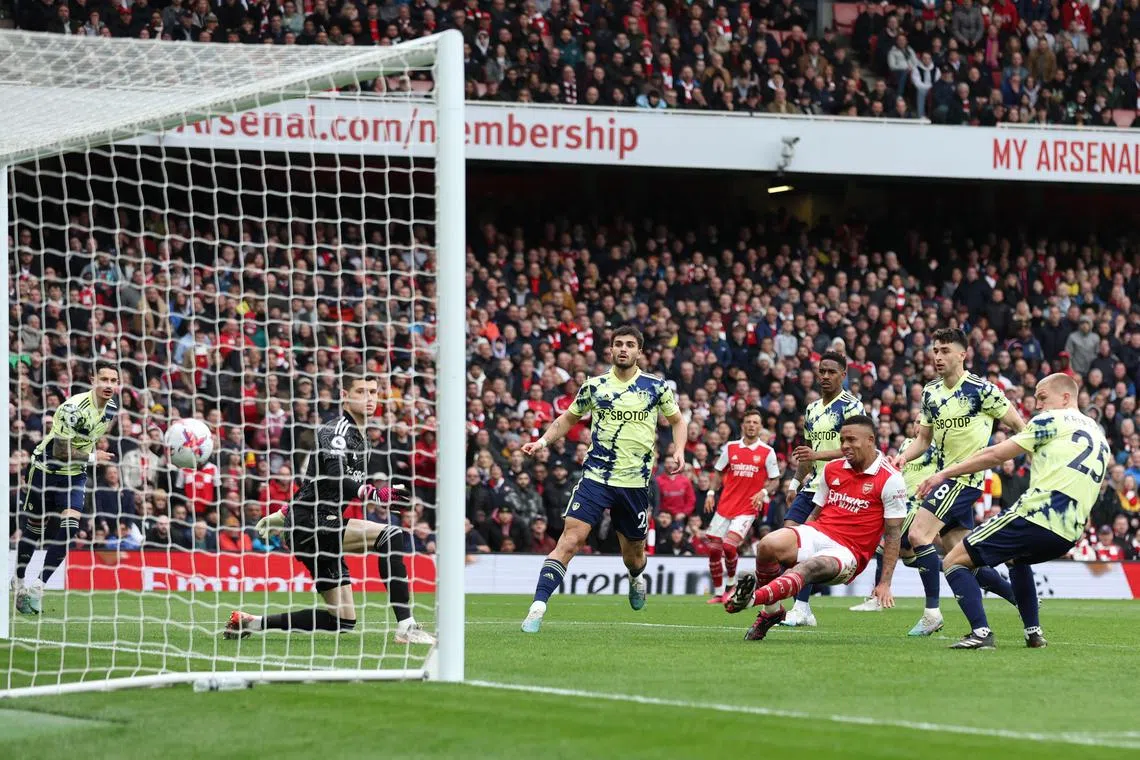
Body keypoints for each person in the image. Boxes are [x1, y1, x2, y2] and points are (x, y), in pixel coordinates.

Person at [224, 369, 435, 644]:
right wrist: (370, 492)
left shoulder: (363, 439)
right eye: (361, 392)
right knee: (391, 536)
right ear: (345, 396)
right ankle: (406, 627)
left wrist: (281, 515)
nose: (370, 398)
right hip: (314, 523)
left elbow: (314, 484)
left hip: (312, 522)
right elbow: (335, 475)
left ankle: (250, 624)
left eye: (373, 392)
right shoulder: (336, 430)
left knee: (342, 621)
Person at [917, 373, 1111, 648]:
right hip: (1070, 532)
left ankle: (981, 633)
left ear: (1066, 397)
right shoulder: (1099, 435)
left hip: (1037, 515)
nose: (1038, 406)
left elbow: (995, 455)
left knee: (953, 560)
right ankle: (1033, 633)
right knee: (1018, 560)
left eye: (1043, 398)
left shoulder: (1051, 420)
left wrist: (943, 474)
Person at [518, 325, 685, 633]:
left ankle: (636, 578)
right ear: (610, 350)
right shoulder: (595, 386)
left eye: (630, 344)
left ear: (639, 351)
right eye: (618, 344)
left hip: (634, 484)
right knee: (571, 540)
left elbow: (677, 420)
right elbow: (568, 418)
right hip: (596, 478)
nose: (623, 348)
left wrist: (680, 451)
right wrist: (541, 442)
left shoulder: (655, 387)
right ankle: (537, 607)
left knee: (634, 557)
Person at [889, 328, 1025, 636]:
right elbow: (923, 439)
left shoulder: (982, 389)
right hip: (944, 478)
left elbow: (1019, 425)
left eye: (945, 350)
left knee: (918, 535)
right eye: (935, 350)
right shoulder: (930, 392)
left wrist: (1014, 455)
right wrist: (903, 458)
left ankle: (932, 613)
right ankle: (1022, 599)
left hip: (965, 479)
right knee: (963, 557)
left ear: (963, 354)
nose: (938, 356)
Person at [724, 415, 907, 640]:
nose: (845, 446)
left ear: (870, 440)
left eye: (851, 440)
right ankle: (771, 613)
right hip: (819, 531)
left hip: (848, 552)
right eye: (842, 440)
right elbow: (816, 511)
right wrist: (804, 538)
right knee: (767, 545)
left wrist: (885, 583)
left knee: (808, 567)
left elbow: (893, 534)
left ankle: (751, 599)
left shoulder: (891, 479)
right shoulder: (832, 469)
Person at [14, 360, 119, 615]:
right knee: (34, 529)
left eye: (113, 381)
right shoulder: (73, 408)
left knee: (71, 528)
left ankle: (38, 587)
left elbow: (89, 439)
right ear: (93, 380)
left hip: (74, 475)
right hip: (45, 471)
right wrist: (95, 457)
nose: (109, 385)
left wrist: (91, 454)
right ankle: (18, 581)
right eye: (104, 380)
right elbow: (61, 452)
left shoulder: (111, 409)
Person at [782, 350, 864, 627]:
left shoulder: (852, 408)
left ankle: (802, 607)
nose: (825, 376)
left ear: (843, 375)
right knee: (788, 539)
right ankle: (801, 607)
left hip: (838, 486)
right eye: (822, 371)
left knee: (807, 544)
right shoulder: (812, 409)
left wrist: (816, 456)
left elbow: (855, 449)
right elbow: (807, 453)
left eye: (831, 372)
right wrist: (795, 482)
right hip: (811, 486)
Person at [703, 408, 779, 603]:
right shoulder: (730, 447)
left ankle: (731, 584)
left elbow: (775, 480)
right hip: (725, 505)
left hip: (747, 508)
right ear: (743, 425)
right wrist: (711, 493)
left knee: (729, 546)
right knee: (713, 549)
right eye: (749, 422)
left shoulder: (767, 452)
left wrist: (762, 492)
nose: (752, 425)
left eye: (755, 422)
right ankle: (719, 593)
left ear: (760, 426)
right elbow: (718, 472)